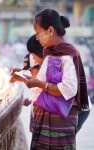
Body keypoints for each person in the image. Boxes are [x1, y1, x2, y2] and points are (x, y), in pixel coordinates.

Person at [11, 9, 89, 150]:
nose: (37, 38)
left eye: (38, 33)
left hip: (58, 127)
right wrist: (23, 77)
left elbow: (69, 89)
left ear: (50, 31)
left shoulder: (65, 55)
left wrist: (39, 83)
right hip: (47, 123)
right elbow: (42, 83)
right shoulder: (52, 54)